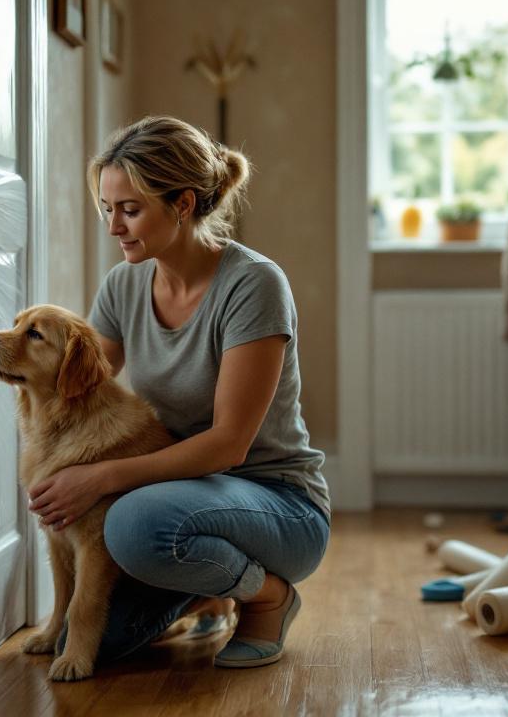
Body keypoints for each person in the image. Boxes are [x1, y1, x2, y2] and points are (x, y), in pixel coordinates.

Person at [26, 115, 331, 668]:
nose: (114, 226)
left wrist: (94, 476)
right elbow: (82, 385)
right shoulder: (123, 284)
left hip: (275, 502)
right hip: (180, 495)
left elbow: (228, 447)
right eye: (107, 208)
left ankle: (268, 598)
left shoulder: (253, 285)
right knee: (104, 638)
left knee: (134, 523)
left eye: (130, 209)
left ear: (184, 204)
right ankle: (209, 586)